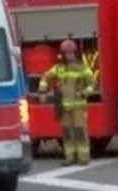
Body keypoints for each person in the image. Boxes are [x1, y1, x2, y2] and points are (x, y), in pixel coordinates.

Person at [38, 38, 96, 166]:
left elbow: (92, 85)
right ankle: (69, 157)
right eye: (66, 53)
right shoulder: (59, 68)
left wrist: (83, 93)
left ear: (76, 53)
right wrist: (42, 91)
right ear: (63, 54)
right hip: (64, 107)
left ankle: (83, 157)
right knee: (66, 132)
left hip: (79, 107)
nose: (69, 55)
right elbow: (45, 77)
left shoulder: (82, 68)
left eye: (71, 53)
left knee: (80, 131)